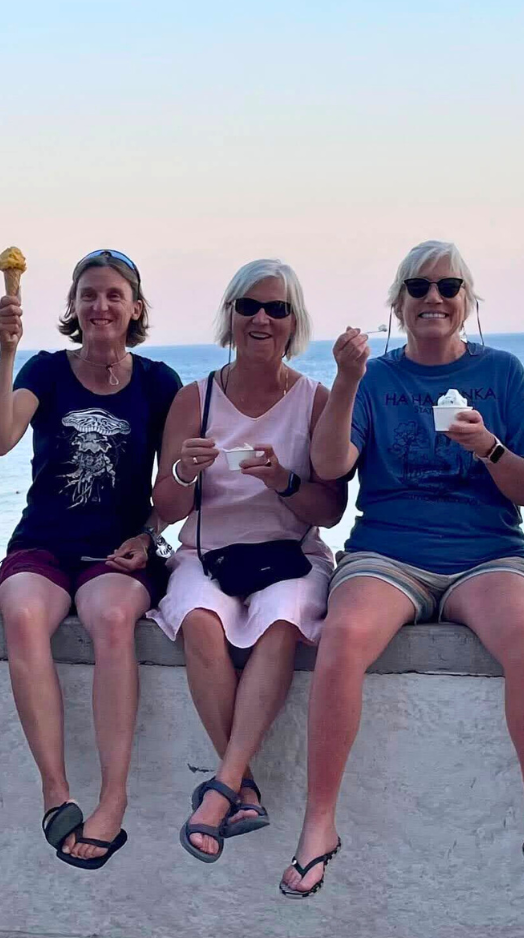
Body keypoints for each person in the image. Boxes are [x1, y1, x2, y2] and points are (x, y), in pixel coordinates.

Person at [291, 240, 524, 904]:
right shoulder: (374, 378)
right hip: (388, 552)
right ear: (397, 304)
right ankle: (318, 822)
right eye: (417, 288)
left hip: (488, 553)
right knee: (342, 637)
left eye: (448, 287)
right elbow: (330, 467)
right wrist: (345, 380)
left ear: (467, 301)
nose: (433, 298)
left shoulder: (502, 373)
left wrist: (487, 446)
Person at [0, 249, 182, 869]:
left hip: (118, 551)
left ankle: (114, 799)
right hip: (42, 544)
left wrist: (149, 534)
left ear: (135, 308)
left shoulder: (159, 383)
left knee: (113, 620)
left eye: (114, 295)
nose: (100, 305)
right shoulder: (45, 370)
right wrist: (7, 351)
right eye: (88, 294)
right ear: (72, 305)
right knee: (22, 616)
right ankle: (56, 791)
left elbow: (177, 487)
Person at [151, 260, 344, 863]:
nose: (262, 318)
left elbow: (331, 509)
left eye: (277, 308)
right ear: (230, 315)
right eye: (249, 306)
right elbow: (166, 507)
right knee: (198, 620)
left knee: (283, 621)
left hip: (292, 553)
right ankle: (245, 787)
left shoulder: (315, 399)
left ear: (294, 323)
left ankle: (225, 785)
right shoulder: (196, 398)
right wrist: (185, 469)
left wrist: (283, 481)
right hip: (208, 552)